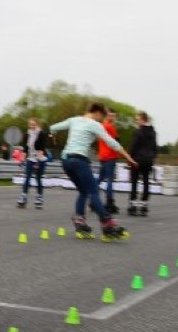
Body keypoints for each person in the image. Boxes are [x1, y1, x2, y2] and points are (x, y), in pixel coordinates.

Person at [49, 102, 136, 240]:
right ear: (97, 113)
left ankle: (80, 221)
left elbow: (53, 127)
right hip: (79, 161)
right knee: (93, 191)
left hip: (66, 162)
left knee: (83, 191)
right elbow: (111, 142)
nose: (102, 120)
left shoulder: (74, 120)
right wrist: (128, 157)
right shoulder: (95, 124)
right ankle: (107, 224)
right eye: (102, 117)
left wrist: (52, 136)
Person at [126, 111, 158, 216]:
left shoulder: (138, 132)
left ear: (143, 120)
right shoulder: (153, 133)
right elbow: (155, 147)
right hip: (148, 160)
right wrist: (152, 157)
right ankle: (144, 205)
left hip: (137, 159)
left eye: (137, 119)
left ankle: (133, 205)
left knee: (134, 182)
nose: (136, 121)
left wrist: (129, 157)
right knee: (146, 182)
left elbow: (134, 146)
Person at [17, 117, 48, 209]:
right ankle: (23, 196)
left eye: (34, 124)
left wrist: (38, 162)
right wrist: (22, 160)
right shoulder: (27, 134)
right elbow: (25, 148)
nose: (32, 126)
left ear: (37, 124)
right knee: (27, 178)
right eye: (30, 124)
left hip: (40, 158)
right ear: (29, 125)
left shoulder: (41, 134)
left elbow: (41, 148)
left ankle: (39, 197)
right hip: (30, 159)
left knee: (38, 179)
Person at [96, 108, 120, 214]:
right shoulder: (110, 127)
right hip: (110, 156)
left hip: (103, 156)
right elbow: (116, 141)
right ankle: (109, 202)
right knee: (109, 179)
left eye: (114, 116)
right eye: (111, 115)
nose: (113, 118)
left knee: (100, 178)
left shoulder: (100, 126)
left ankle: (93, 199)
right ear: (106, 115)